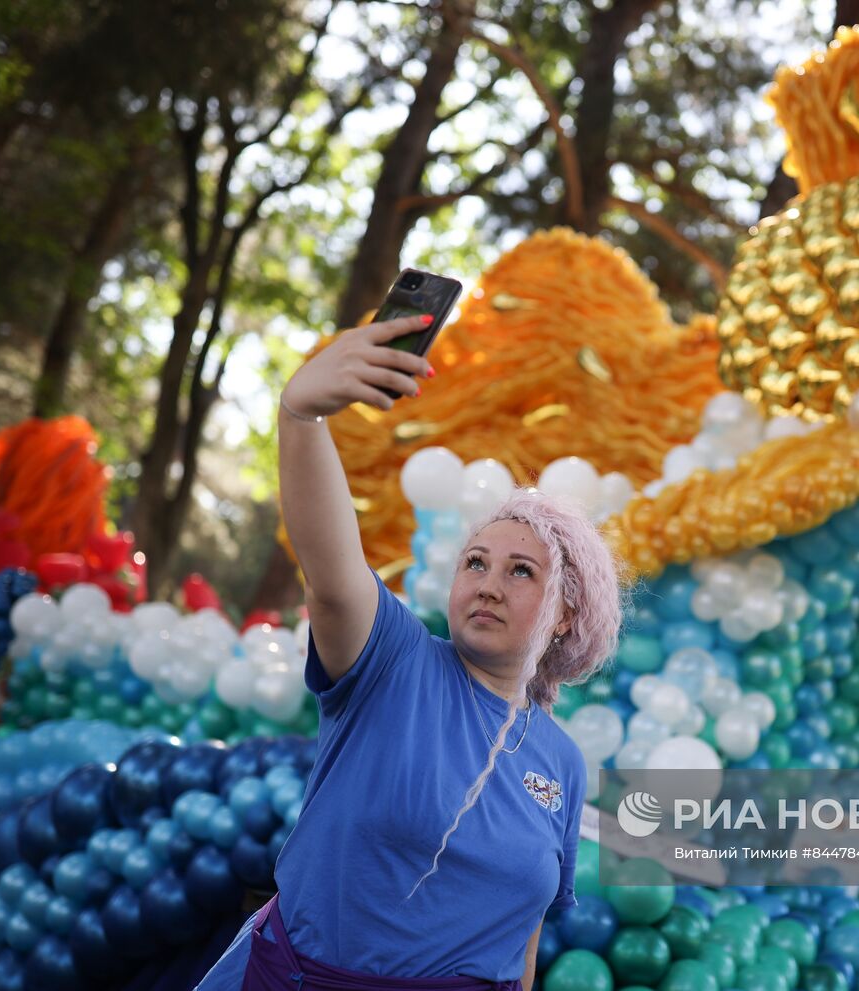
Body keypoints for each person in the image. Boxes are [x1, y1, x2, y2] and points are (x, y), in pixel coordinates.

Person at [194, 312, 626, 991]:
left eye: (521, 571)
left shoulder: (561, 762)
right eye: (475, 562)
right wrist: (301, 417)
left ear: (568, 610)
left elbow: (525, 934)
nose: (487, 583)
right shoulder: (394, 662)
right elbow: (333, 577)